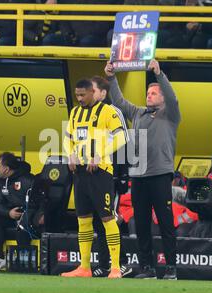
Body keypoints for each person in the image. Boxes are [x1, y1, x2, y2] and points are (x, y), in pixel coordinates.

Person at [105, 59, 181, 280]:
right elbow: (118, 101)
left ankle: (171, 268)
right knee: (142, 224)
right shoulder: (138, 113)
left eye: (155, 93)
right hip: (138, 177)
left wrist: (159, 75)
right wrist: (111, 77)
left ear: (163, 97)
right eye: (148, 92)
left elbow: (173, 97)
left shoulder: (171, 114)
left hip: (160, 176)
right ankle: (147, 268)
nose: (150, 95)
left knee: (166, 224)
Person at [61, 78, 127, 279]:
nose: (79, 99)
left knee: (107, 218)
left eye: (82, 95)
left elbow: (122, 137)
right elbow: (68, 138)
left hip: (101, 172)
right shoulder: (74, 113)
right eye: (77, 95)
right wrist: (69, 154)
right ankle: (84, 267)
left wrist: (99, 155)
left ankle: (115, 267)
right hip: (80, 173)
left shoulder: (109, 111)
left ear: (93, 93)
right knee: (83, 220)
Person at [89, 76, 132, 278]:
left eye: (93, 90)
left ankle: (122, 263)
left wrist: (122, 174)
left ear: (103, 93)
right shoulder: (84, 113)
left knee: (109, 219)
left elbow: (123, 141)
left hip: (111, 175)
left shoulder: (113, 112)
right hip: (91, 175)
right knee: (98, 222)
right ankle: (104, 263)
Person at [0, 152, 41, 272]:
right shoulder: (2, 182)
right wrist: (8, 213)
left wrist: (27, 214)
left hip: (28, 215)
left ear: (6, 169)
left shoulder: (29, 180)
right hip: (10, 215)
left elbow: (38, 202)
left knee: (22, 228)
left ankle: (21, 262)